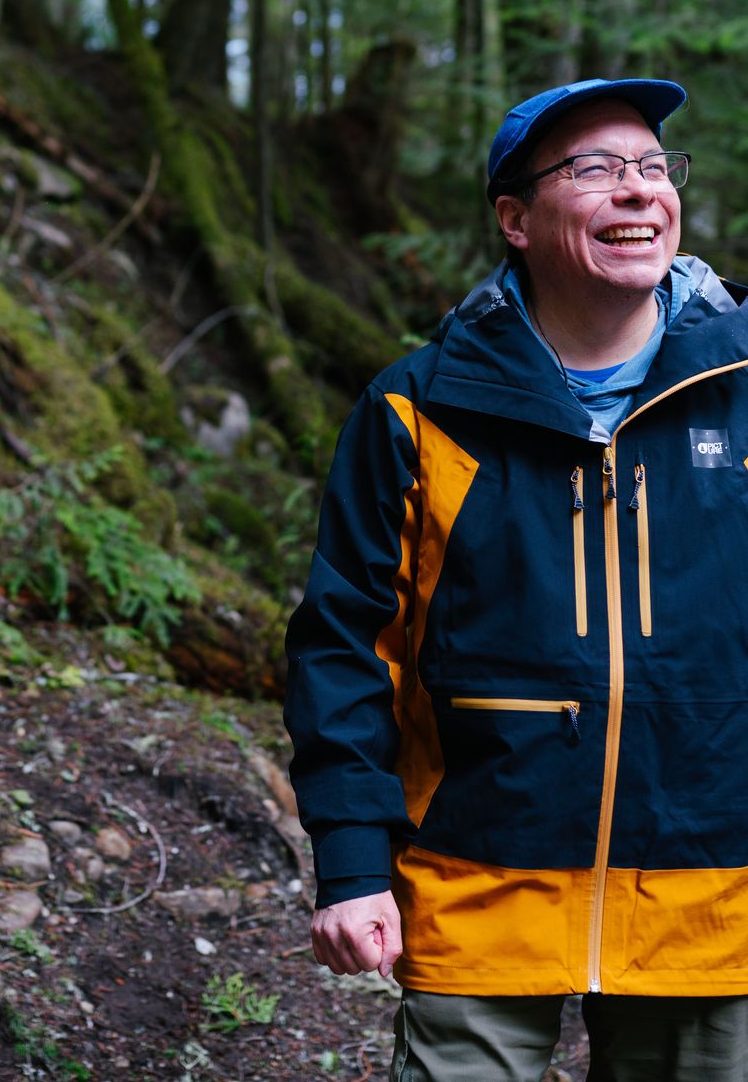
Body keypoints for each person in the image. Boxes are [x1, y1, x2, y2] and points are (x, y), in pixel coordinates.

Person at [284, 77, 748, 1081]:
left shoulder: (742, 392)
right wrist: (353, 864)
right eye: (594, 169)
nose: (638, 190)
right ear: (515, 218)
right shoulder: (418, 408)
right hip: (476, 880)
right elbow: (345, 645)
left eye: (653, 167)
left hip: (716, 901)